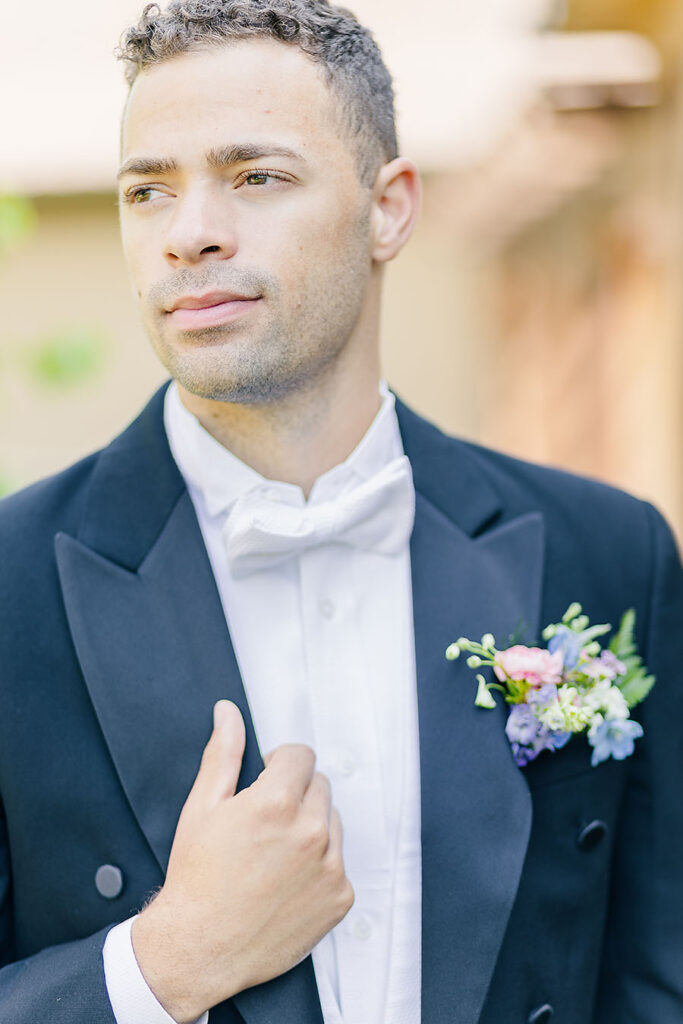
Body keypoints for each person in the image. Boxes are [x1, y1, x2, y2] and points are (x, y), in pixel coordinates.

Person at [0, 1, 681, 1022]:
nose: (187, 234)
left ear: (387, 208)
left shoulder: (609, 551)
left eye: (253, 176)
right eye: (149, 190)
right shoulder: (10, 586)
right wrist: (164, 962)